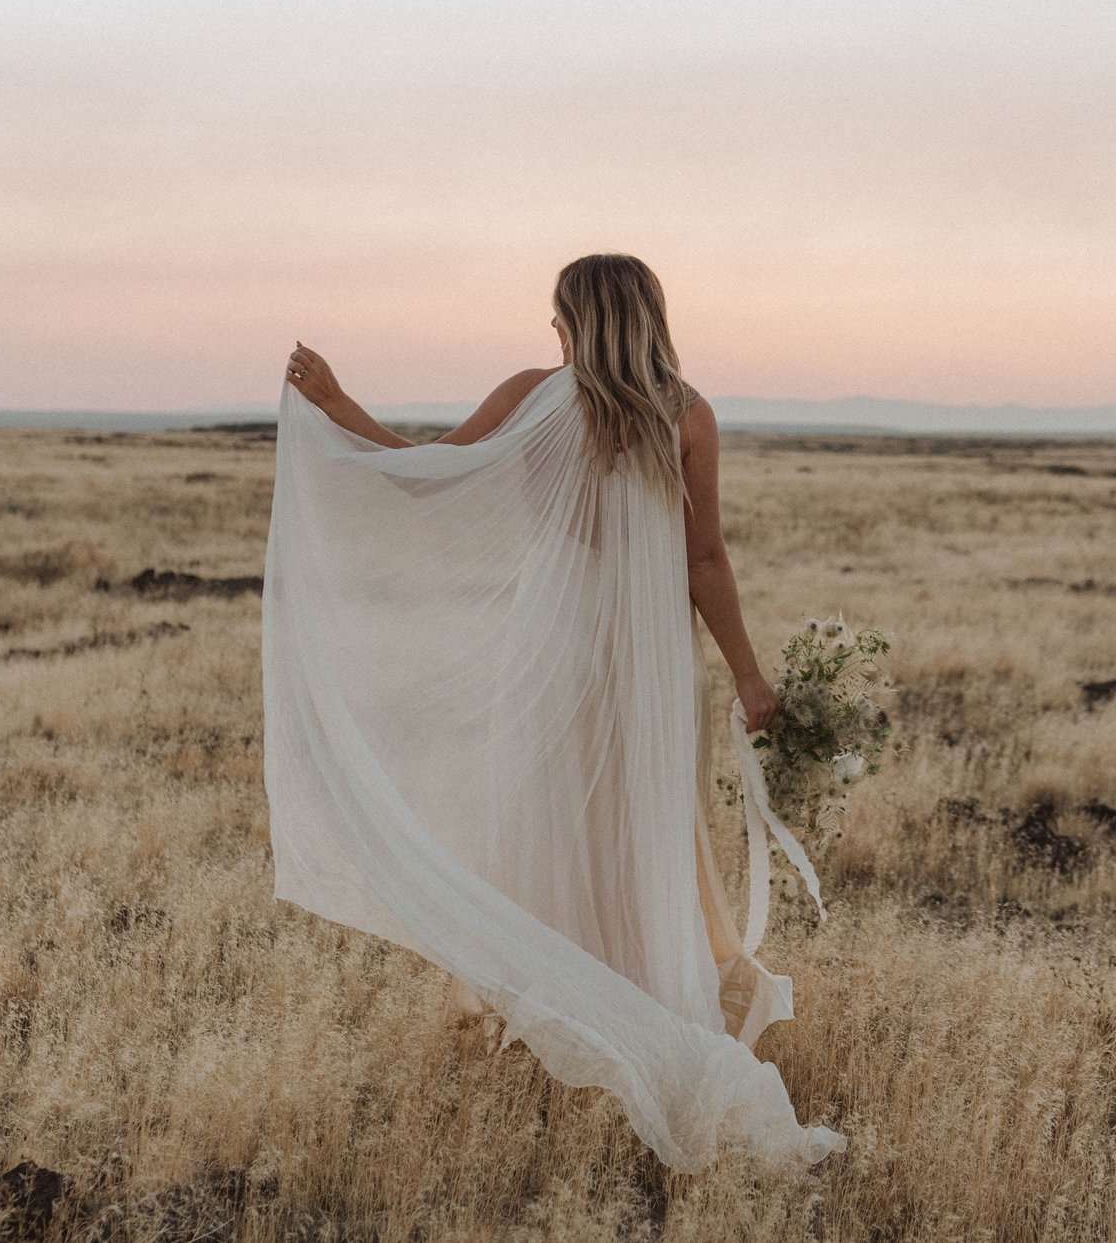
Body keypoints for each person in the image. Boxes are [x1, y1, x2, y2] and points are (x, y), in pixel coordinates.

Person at [262, 253, 845, 1170]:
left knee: (551, 830)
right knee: (644, 841)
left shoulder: (537, 396)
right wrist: (749, 676)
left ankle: (573, 1023)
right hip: (652, 664)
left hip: (560, 651)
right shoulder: (686, 413)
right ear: (650, 315)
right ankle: (639, 1012)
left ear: (578, 319)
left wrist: (338, 406)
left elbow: (425, 475)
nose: (551, 334)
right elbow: (704, 561)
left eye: (557, 316)